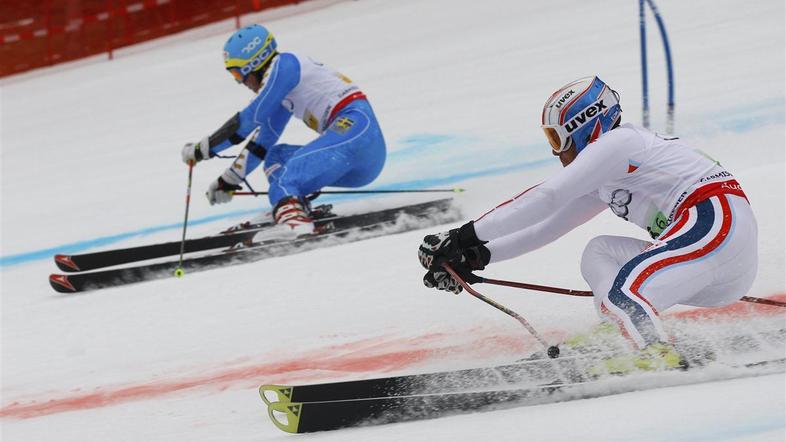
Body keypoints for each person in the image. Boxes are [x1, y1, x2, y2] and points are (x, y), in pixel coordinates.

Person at [418, 76, 757, 373]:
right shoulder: (608, 173)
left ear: (585, 126)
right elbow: (547, 226)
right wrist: (476, 256)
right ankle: (624, 333)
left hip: (714, 225)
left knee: (621, 294)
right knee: (600, 252)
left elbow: (548, 196)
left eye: (556, 139)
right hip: (718, 257)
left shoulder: (620, 143)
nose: (555, 152)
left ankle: (653, 352)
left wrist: (461, 236)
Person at [181, 24, 386, 235]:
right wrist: (229, 179)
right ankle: (290, 206)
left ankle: (294, 222)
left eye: (236, 73)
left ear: (255, 63)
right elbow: (262, 141)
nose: (240, 82)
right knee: (275, 158)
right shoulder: (283, 86)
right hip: (355, 155)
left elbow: (250, 118)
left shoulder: (284, 65)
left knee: (285, 180)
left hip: (357, 132)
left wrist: (203, 148)